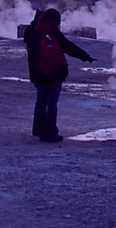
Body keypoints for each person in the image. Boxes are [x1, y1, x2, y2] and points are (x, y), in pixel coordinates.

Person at [23, 8, 95, 143]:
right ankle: (50, 134)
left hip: (39, 73)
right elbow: (68, 46)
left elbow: (31, 53)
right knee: (52, 104)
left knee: (41, 101)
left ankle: (38, 129)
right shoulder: (52, 31)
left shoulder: (32, 32)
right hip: (55, 72)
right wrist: (85, 56)